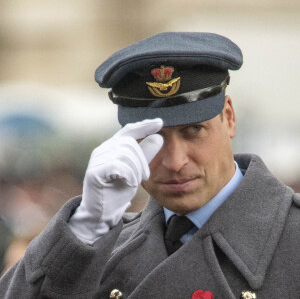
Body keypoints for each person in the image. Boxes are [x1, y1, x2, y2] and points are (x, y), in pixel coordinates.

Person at [0, 32, 299, 299]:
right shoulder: (99, 251)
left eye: (194, 130)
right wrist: (83, 232)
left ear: (229, 117)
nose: (174, 162)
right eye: (151, 138)